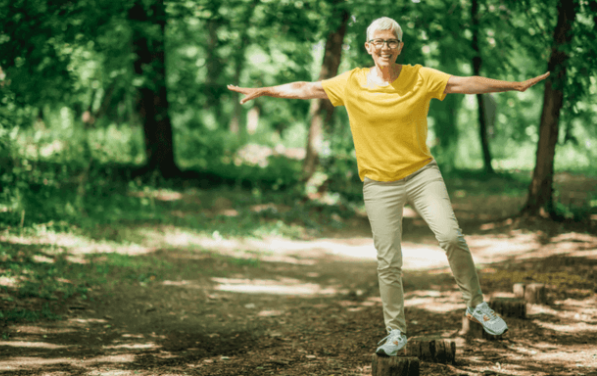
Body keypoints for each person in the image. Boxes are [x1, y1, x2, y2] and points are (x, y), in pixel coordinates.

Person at [228, 16, 549, 357]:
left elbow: (463, 83)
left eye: (391, 42)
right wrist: (264, 90)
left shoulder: (419, 76)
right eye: (378, 42)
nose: (385, 47)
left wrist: (512, 85)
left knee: (452, 237)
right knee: (388, 261)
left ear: (400, 47)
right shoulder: (351, 82)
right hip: (379, 183)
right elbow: (307, 88)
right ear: (368, 47)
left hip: (422, 173)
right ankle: (396, 331)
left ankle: (476, 305)